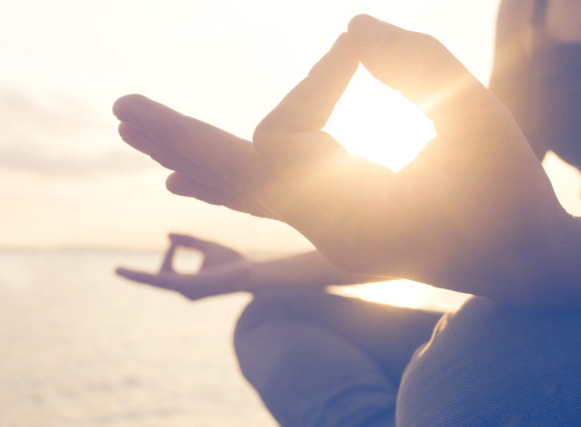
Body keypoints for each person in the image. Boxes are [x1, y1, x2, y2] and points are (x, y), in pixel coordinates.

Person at [113, 0, 581, 424]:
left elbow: (538, 250)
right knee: (277, 311)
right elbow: (474, 223)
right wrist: (245, 272)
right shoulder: (527, 9)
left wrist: (561, 263)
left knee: (475, 400)